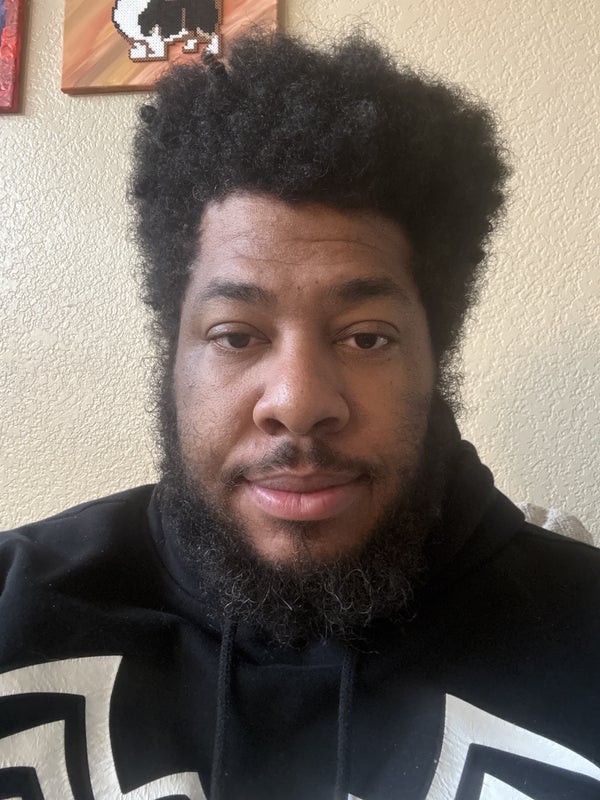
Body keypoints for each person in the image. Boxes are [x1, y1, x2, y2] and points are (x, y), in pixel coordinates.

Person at [0, 30, 598, 800]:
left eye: (366, 337)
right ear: (171, 355)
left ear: (434, 358)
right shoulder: (15, 609)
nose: (299, 402)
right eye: (236, 336)